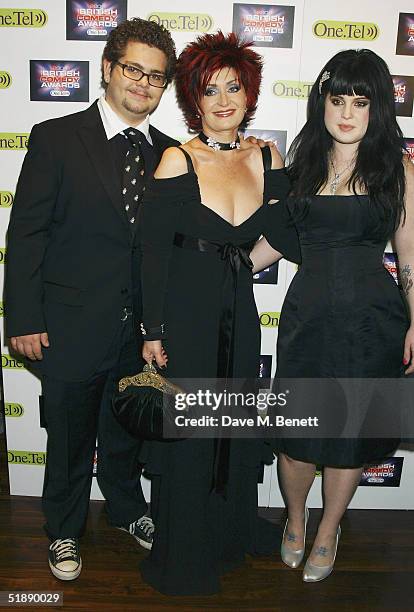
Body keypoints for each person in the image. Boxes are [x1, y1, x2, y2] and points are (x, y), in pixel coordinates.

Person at [4, 18, 179, 580]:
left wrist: (160, 326)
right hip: (69, 326)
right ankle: (63, 529)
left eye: (156, 76)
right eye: (133, 69)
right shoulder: (56, 137)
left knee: (126, 435)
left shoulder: (171, 154)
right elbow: (26, 234)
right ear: (107, 68)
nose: (144, 84)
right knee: (71, 439)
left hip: (137, 335)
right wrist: (23, 317)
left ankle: (128, 511)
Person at [137, 31, 300, 595]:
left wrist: (243, 265)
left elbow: (285, 232)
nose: (224, 99)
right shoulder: (177, 159)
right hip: (184, 317)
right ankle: (184, 551)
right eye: (211, 90)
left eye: (234, 86)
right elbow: (153, 254)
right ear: (194, 99)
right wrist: (152, 330)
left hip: (241, 311)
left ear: (249, 93)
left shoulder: (267, 155)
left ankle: (228, 534)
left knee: (230, 425)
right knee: (190, 435)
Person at [250, 48, 414, 582]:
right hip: (308, 320)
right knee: (296, 440)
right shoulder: (298, 170)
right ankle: (296, 520)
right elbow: (273, 244)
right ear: (321, 102)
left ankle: (328, 530)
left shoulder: (399, 172)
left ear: (378, 110)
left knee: (348, 443)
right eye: (337, 98)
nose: (346, 112)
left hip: (372, 323)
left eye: (360, 102)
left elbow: (409, 257)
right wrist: (213, 270)